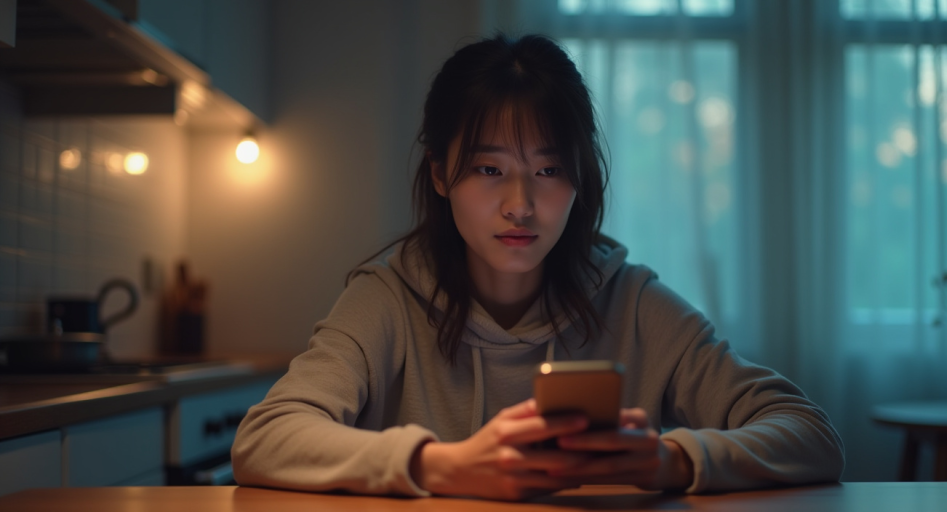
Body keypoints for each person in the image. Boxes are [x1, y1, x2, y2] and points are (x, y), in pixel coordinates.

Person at [231, 33, 844, 501]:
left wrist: (672, 461)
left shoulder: (632, 300)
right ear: (441, 174)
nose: (521, 204)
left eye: (548, 171)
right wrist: (441, 465)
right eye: (490, 169)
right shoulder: (388, 298)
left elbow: (810, 435)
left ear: (580, 179)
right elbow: (265, 437)